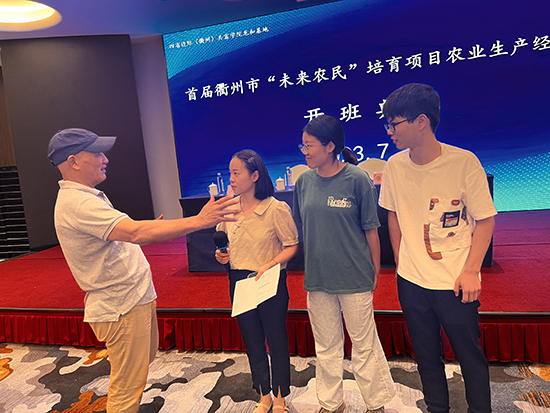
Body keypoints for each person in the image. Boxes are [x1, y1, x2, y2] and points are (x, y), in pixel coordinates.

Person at [47, 128, 239, 413]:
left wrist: (152, 230)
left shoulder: (87, 197)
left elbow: (125, 236)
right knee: (127, 387)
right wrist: (200, 220)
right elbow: (134, 232)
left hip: (131, 299)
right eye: (97, 153)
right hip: (121, 305)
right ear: (73, 161)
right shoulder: (78, 203)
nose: (105, 159)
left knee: (136, 372)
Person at [379, 83, 497, 413]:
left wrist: (471, 270)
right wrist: (402, 260)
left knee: (469, 356)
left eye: (394, 124)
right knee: (426, 357)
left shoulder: (463, 162)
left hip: (455, 281)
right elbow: (393, 215)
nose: (390, 131)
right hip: (412, 282)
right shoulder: (394, 166)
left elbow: (485, 220)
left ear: (421, 121)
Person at [293, 115, 395, 413]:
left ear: (330, 146)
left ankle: (376, 403)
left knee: (364, 345)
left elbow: (371, 230)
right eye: (303, 145)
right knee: (326, 346)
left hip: (354, 276)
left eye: (310, 145)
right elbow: (301, 228)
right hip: (318, 278)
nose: (305, 151)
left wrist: (375, 270)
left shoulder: (357, 179)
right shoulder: (303, 182)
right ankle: (330, 403)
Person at [215, 149, 299, 413]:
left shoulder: (276, 208)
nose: (231, 179)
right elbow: (224, 245)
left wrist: (271, 263)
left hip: (269, 280)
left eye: (236, 173)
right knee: (252, 341)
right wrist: (222, 255)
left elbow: (292, 245)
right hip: (239, 281)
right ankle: (264, 395)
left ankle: (280, 397)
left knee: (276, 339)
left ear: (255, 176)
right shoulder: (229, 209)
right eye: (230, 173)